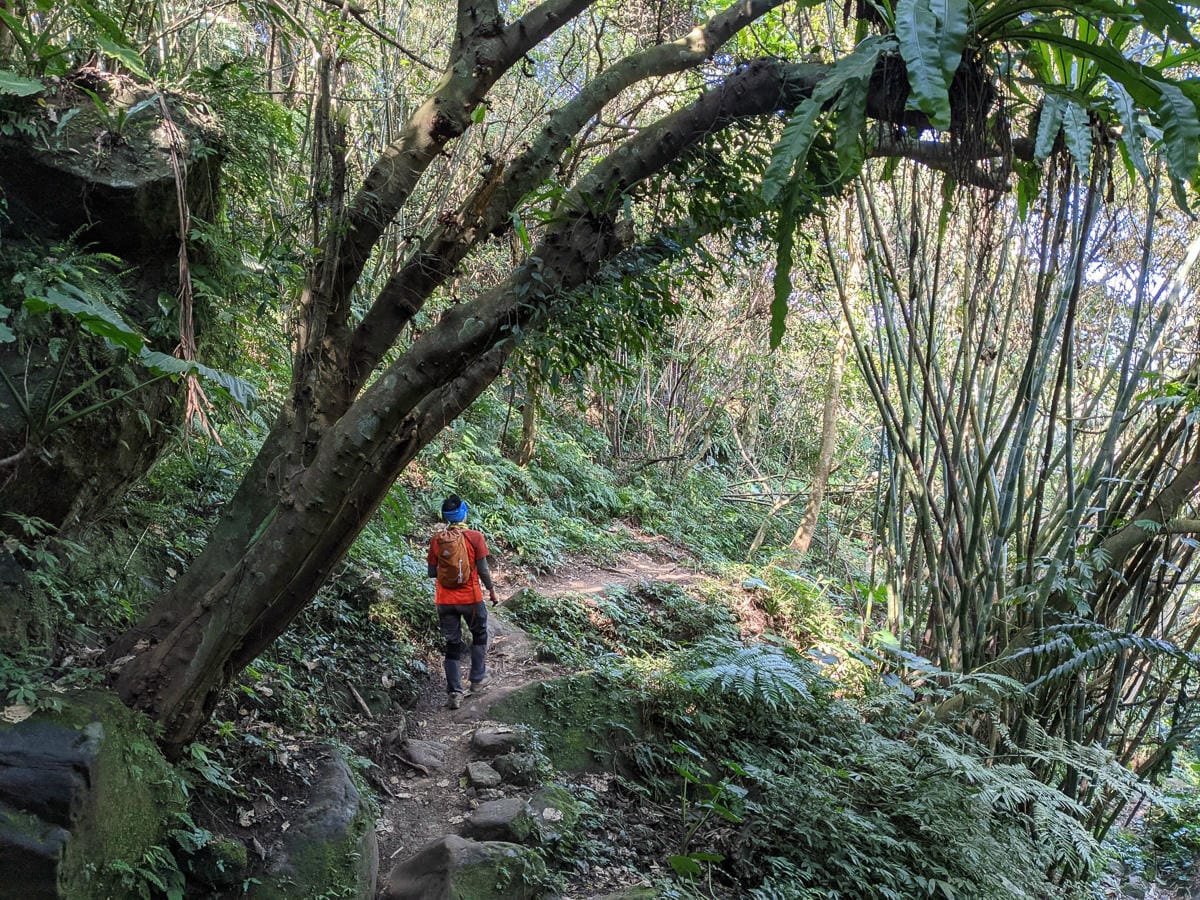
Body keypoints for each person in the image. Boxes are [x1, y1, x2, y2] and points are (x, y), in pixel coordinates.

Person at [427, 495, 498, 709]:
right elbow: (483, 570)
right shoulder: (475, 537)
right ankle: (477, 679)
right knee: (479, 634)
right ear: (463, 513)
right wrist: (492, 592)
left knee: (452, 644)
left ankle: (455, 693)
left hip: (444, 600)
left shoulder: (437, 539)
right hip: (471, 598)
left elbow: (432, 572)